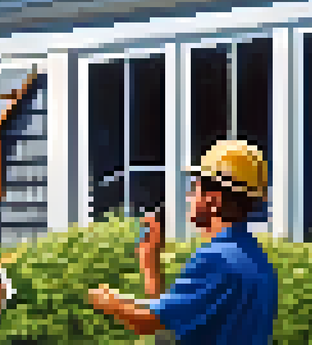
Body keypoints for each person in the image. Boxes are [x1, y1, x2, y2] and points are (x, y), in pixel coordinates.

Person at [86, 140, 277, 345]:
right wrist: (150, 264)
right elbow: (166, 326)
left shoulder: (215, 259)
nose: (189, 197)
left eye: (195, 190)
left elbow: (149, 323)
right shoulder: (259, 261)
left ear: (214, 201)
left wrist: (105, 300)